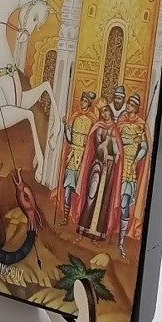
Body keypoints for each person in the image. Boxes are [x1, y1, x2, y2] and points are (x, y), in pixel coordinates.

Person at [70, 102, 123, 242]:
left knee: (104, 200)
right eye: (102, 111)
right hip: (98, 164)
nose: (105, 114)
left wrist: (117, 154)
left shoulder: (115, 129)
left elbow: (118, 149)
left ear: (110, 111)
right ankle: (81, 232)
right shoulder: (98, 128)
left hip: (110, 167)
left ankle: (96, 236)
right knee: (91, 196)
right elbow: (97, 146)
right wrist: (104, 145)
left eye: (106, 110)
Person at [116, 94, 149, 258]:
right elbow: (117, 142)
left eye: (131, 104)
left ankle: (121, 242)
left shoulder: (141, 126)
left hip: (131, 169)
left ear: (137, 108)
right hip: (120, 166)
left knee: (125, 204)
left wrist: (137, 159)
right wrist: (131, 140)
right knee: (115, 202)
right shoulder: (121, 123)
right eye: (128, 103)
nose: (128, 106)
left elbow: (144, 147)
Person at [58, 92, 97, 225]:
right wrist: (66, 126)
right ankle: (65, 218)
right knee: (68, 188)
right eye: (82, 100)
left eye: (85, 101)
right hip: (72, 154)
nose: (82, 103)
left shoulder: (92, 120)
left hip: (84, 158)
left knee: (83, 188)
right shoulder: (74, 117)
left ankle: (80, 218)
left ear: (89, 104)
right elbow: (69, 139)